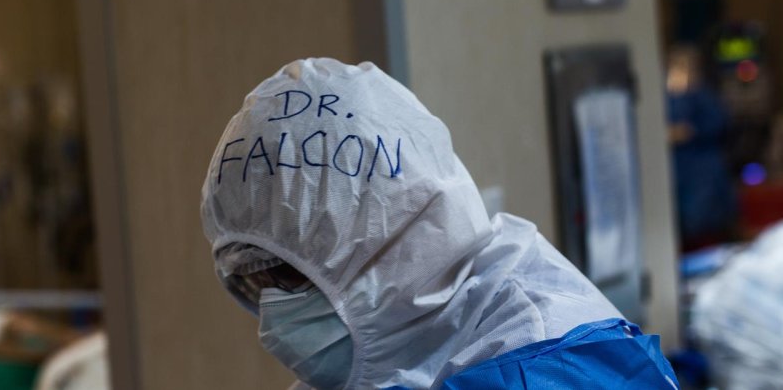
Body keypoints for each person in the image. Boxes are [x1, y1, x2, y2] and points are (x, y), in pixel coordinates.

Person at [201, 58, 678, 389]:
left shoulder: (550, 365)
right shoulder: (380, 355)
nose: (273, 316)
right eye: (256, 283)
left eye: (289, 277)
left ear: (393, 242)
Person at [665, 45, 735, 250]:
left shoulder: (703, 97)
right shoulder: (665, 98)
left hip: (702, 170)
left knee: (702, 220)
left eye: (683, 68)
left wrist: (688, 131)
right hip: (677, 169)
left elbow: (717, 125)